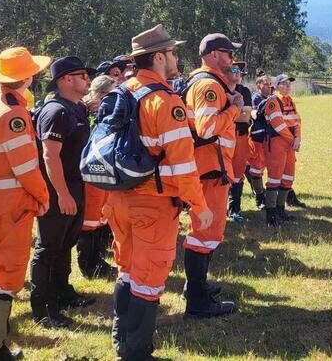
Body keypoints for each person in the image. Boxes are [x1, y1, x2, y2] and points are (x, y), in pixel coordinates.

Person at [106, 24, 212, 360]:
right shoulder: (165, 102)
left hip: (119, 198)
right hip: (152, 204)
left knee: (128, 267)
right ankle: (136, 352)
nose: (177, 58)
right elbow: (182, 165)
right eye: (173, 53)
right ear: (158, 57)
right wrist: (199, 205)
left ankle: (121, 338)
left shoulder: (124, 92)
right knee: (150, 277)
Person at [0, 47, 51, 361]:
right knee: (6, 278)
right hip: (8, 208)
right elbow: (26, 166)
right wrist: (42, 196)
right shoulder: (13, 113)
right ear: (26, 77)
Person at [29, 57, 97, 328]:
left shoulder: (75, 108)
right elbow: (50, 156)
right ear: (66, 80)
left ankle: (62, 293)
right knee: (48, 247)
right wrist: (62, 194)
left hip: (75, 185)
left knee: (65, 243)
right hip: (59, 189)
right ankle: (43, 307)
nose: (87, 80)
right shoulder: (55, 111)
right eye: (82, 75)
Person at [182, 33, 243, 318]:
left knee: (206, 232)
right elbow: (207, 128)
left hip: (210, 168)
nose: (232, 59)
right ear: (215, 55)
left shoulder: (205, 82)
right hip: (209, 169)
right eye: (229, 53)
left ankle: (197, 287)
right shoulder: (208, 84)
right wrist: (233, 109)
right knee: (204, 233)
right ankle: (196, 301)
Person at [77, 75, 118, 279]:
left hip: (103, 170)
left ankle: (97, 259)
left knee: (101, 218)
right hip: (90, 173)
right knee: (90, 220)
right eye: (112, 91)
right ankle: (88, 264)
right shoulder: (87, 111)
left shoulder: (107, 111)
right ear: (101, 94)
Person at [263, 74, 301, 226]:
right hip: (276, 144)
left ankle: (281, 210)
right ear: (277, 86)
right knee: (274, 179)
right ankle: (270, 215)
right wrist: (294, 140)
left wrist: (298, 137)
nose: (288, 86)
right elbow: (278, 125)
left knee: (288, 178)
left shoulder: (290, 100)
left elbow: (297, 120)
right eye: (284, 84)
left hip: (289, 144)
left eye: (289, 84)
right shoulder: (273, 101)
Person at [227, 61, 253, 222]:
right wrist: (238, 110)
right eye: (235, 71)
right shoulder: (220, 88)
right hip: (222, 136)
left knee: (238, 172)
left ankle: (234, 208)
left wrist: (230, 111)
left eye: (240, 73)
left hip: (241, 135)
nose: (238, 75)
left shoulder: (244, 91)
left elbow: (246, 116)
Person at [247, 74, 272, 209]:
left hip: (269, 139)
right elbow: (255, 114)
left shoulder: (270, 98)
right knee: (257, 169)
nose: (269, 86)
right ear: (258, 86)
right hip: (258, 138)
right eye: (266, 84)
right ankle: (259, 197)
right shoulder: (256, 98)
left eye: (270, 84)